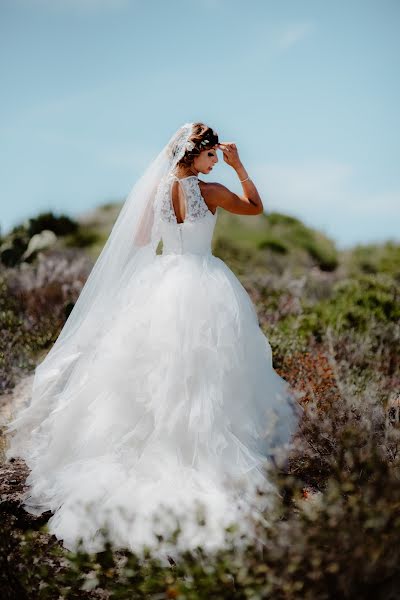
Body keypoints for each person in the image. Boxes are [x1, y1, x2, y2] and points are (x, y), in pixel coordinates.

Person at [4, 122, 303, 562]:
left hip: (163, 284)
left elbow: (143, 239)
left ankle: (147, 450)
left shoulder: (156, 191)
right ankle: (198, 455)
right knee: (203, 375)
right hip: (204, 283)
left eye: (219, 157)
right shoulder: (213, 189)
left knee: (150, 375)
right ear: (194, 155)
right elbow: (255, 207)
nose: (215, 160)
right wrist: (240, 167)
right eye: (212, 155)